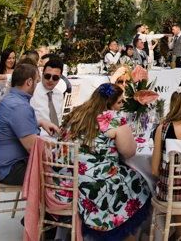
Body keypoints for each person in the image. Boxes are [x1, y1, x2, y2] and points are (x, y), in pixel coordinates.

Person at [61, 83, 151, 238]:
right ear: (109, 104)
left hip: (66, 180)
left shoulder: (77, 112)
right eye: (119, 102)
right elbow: (129, 152)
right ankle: (122, 234)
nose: (122, 105)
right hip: (94, 184)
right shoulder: (112, 118)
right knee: (140, 182)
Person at [0, 63, 57, 185]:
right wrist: (57, 146)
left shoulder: (10, 99)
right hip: (13, 169)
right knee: (64, 172)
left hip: (8, 164)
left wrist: (41, 122)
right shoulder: (19, 106)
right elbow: (32, 147)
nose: (37, 85)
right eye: (37, 81)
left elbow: (14, 124)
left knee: (59, 165)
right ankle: (55, 203)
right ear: (29, 82)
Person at [30, 56, 66, 128]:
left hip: (56, 137)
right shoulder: (31, 92)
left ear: (60, 78)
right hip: (38, 136)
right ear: (42, 74)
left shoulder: (59, 95)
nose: (50, 80)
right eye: (47, 76)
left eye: (55, 77)